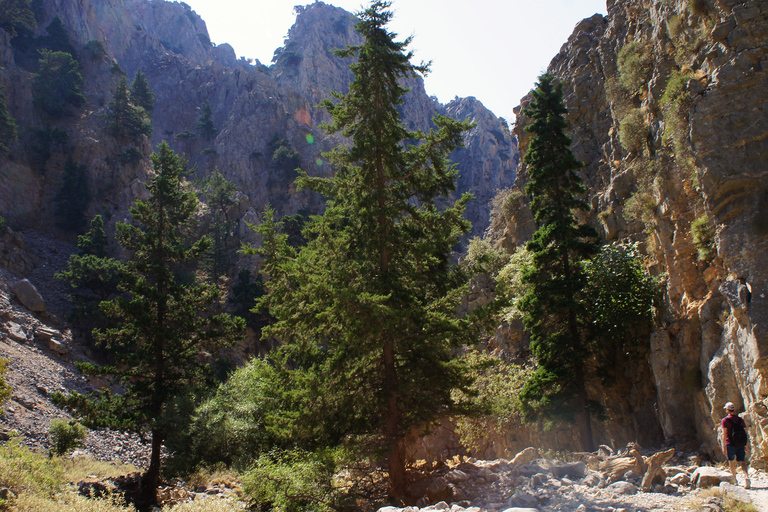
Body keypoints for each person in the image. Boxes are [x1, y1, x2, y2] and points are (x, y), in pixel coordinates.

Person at [721, 401, 750, 488]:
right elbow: (745, 431)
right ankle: (746, 477)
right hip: (740, 443)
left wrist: (724, 446)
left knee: (731, 461)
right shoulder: (740, 419)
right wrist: (746, 444)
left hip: (730, 443)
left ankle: (735, 480)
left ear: (727, 410)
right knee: (742, 461)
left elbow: (724, 434)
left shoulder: (725, 420)